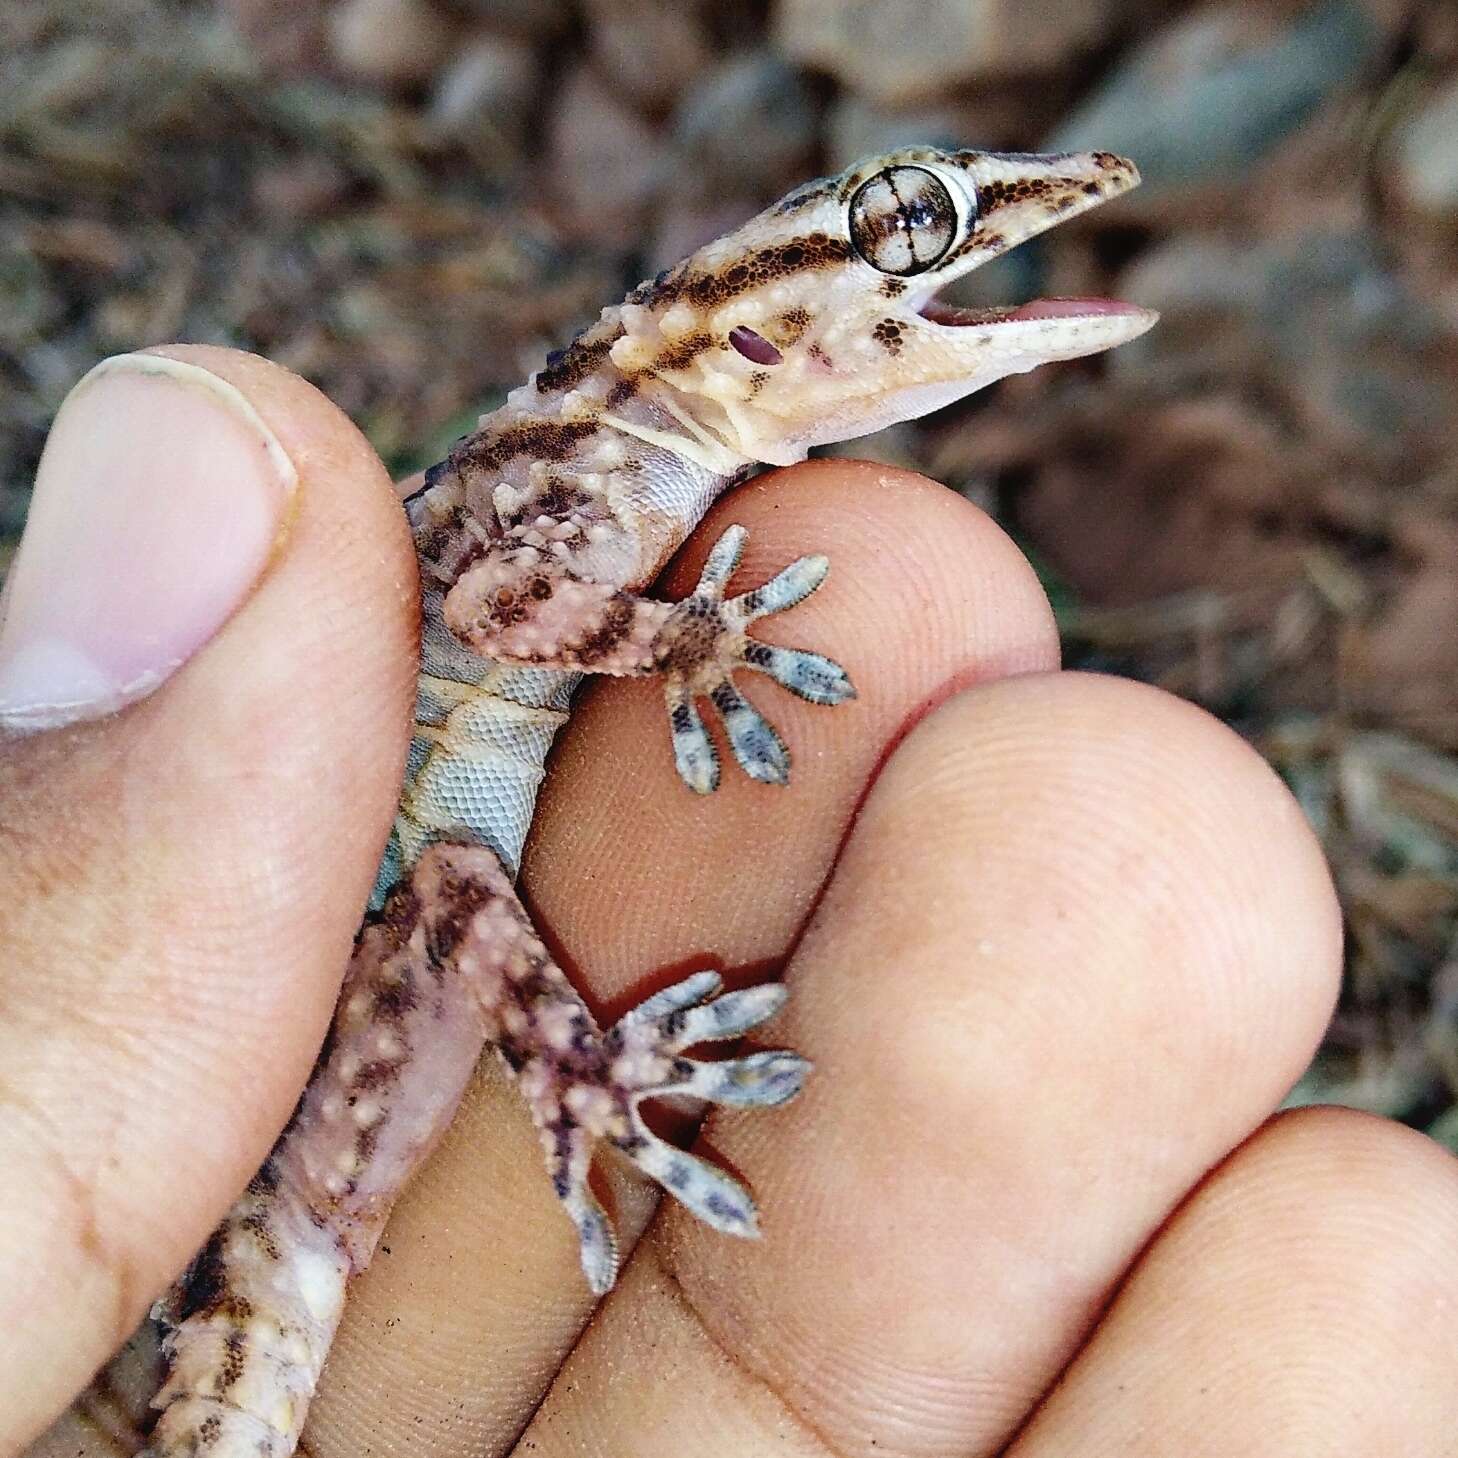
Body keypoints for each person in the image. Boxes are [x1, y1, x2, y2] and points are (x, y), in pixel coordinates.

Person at [3, 346, 1455, 1457]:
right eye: (905, 227)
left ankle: (583, 1084)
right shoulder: (586, 464)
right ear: (754, 337)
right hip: (287, 1180)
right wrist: (693, 642)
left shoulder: (614, 472)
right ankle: (585, 1085)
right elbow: (501, 620)